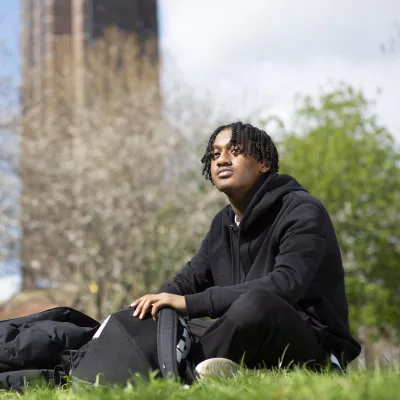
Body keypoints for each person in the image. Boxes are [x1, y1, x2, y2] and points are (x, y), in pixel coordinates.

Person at [131, 122, 361, 377]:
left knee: (256, 303)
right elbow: (188, 280)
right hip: (245, 332)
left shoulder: (302, 211)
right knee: (163, 320)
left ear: (264, 163)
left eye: (235, 150)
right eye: (215, 154)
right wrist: (151, 306)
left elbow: (284, 285)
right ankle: (192, 370)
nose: (222, 160)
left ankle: (182, 375)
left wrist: (187, 304)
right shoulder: (223, 223)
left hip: (311, 344)